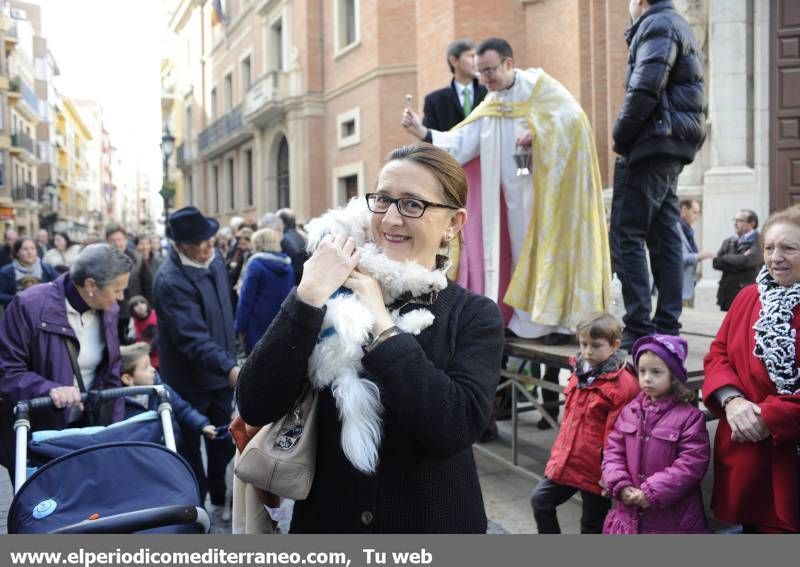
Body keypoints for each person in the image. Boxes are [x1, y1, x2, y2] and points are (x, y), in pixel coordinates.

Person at [236, 143, 505, 533]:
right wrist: (307, 296)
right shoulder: (329, 292)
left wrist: (383, 328)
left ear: (453, 223)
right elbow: (255, 404)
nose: (391, 219)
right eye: (383, 200)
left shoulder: (473, 314)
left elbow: (453, 427)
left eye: (413, 205)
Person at [402, 37, 609, 343]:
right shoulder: (493, 101)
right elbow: (463, 143)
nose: (484, 79)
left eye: (489, 71)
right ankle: (526, 322)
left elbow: (575, 122)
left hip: (549, 200)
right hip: (514, 205)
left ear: (508, 64)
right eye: (481, 73)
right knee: (517, 255)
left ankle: (560, 323)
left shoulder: (541, 89)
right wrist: (423, 132)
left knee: (549, 257)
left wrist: (538, 132)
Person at [609, 0, 707, 348]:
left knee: (625, 232)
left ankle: (639, 327)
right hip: (670, 143)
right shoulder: (675, 23)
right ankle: (666, 324)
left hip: (652, 142)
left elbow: (645, 87)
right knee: (665, 235)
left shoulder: (657, 24)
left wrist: (620, 136)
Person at [703, 205, 800, 533]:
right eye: (770, 248)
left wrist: (769, 418)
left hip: (789, 456)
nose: (776, 258)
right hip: (746, 455)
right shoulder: (747, 297)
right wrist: (732, 400)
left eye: (789, 248)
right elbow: (718, 355)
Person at [0, 244, 132, 476]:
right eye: (117, 290)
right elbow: (7, 371)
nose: (120, 298)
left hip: (89, 430)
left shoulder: (108, 310)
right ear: (90, 285)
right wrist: (49, 389)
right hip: (40, 436)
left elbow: (111, 374)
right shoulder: (28, 306)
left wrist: (116, 434)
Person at [153, 206, 238, 509]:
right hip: (188, 384)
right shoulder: (170, 279)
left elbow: (224, 311)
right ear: (179, 246)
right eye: (199, 243)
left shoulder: (214, 261)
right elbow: (192, 338)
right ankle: (196, 508)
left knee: (224, 443)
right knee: (190, 451)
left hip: (219, 377)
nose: (208, 247)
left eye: (210, 240)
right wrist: (229, 366)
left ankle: (219, 497)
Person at [531, 313, 639, 533]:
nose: (588, 351)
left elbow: (618, 436)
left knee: (592, 524)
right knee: (540, 501)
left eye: (596, 346)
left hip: (597, 471)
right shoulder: (579, 371)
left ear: (614, 345)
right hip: (569, 461)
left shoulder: (623, 385)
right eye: (583, 344)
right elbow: (569, 420)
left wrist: (610, 474)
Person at [602, 334, 710, 534]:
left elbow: (691, 465)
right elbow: (612, 452)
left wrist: (651, 492)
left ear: (673, 376)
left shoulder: (690, 418)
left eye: (656, 372)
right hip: (629, 515)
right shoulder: (629, 411)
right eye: (642, 371)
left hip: (671, 520)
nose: (647, 378)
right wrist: (620, 484)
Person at [120, 342, 217, 445]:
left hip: (172, 447)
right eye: (145, 368)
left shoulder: (162, 390)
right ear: (128, 379)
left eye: (150, 365)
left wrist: (201, 424)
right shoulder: (120, 407)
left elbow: (183, 410)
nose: (153, 369)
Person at [235, 227, 295, 354]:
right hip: (281, 322)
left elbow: (246, 299)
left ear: (258, 244)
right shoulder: (288, 265)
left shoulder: (255, 265)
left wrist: (240, 326)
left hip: (258, 324)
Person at [422, 39, 487, 132]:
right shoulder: (434, 101)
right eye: (471, 56)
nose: (476, 61)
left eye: (477, 57)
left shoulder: (489, 94)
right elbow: (429, 140)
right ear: (454, 61)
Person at [107, 224, 153, 344]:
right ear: (107, 241)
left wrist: (148, 310)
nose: (117, 244)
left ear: (126, 240)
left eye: (120, 240)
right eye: (113, 241)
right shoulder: (102, 259)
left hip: (134, 312)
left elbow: (148, 286)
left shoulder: (138, 259)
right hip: (109, 311)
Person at [712, 209, 762, 311]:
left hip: (747, 291)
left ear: (752, 223)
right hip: (728, 291)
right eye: (735, 220)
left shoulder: (760, 240)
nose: (735, 224)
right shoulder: (728, 241)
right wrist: (740, 259)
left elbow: (750, 261)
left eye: (739, 220)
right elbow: (716, 262)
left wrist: (726, 258)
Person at [0, 237, 59, 308]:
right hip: (16, 314)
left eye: (32, 248)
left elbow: (59, 287)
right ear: (17, 252)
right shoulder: (7, 271)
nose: (29, 252)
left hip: (43, 313)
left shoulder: (47, 268)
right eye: (25, 249)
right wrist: (18, 299)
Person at [676, 200, 713, 306]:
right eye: (694, 212)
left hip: (686, 287)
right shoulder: (675, 228)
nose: (697, 217)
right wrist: (698, 256)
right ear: (684, 210)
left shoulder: (687, 230)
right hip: (675, 287)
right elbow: (675, 258)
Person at [276, 208, 308, 284]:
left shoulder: (283, 239)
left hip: (291, 283)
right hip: (302, 280)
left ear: (281, 223)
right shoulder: (302, 236)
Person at [129, 295, 159, 369]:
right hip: (146, 359)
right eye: (136, 305)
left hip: (160, 357)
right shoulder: (133, 322)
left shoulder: (156, 315)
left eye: (142, 303)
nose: (140, 306)